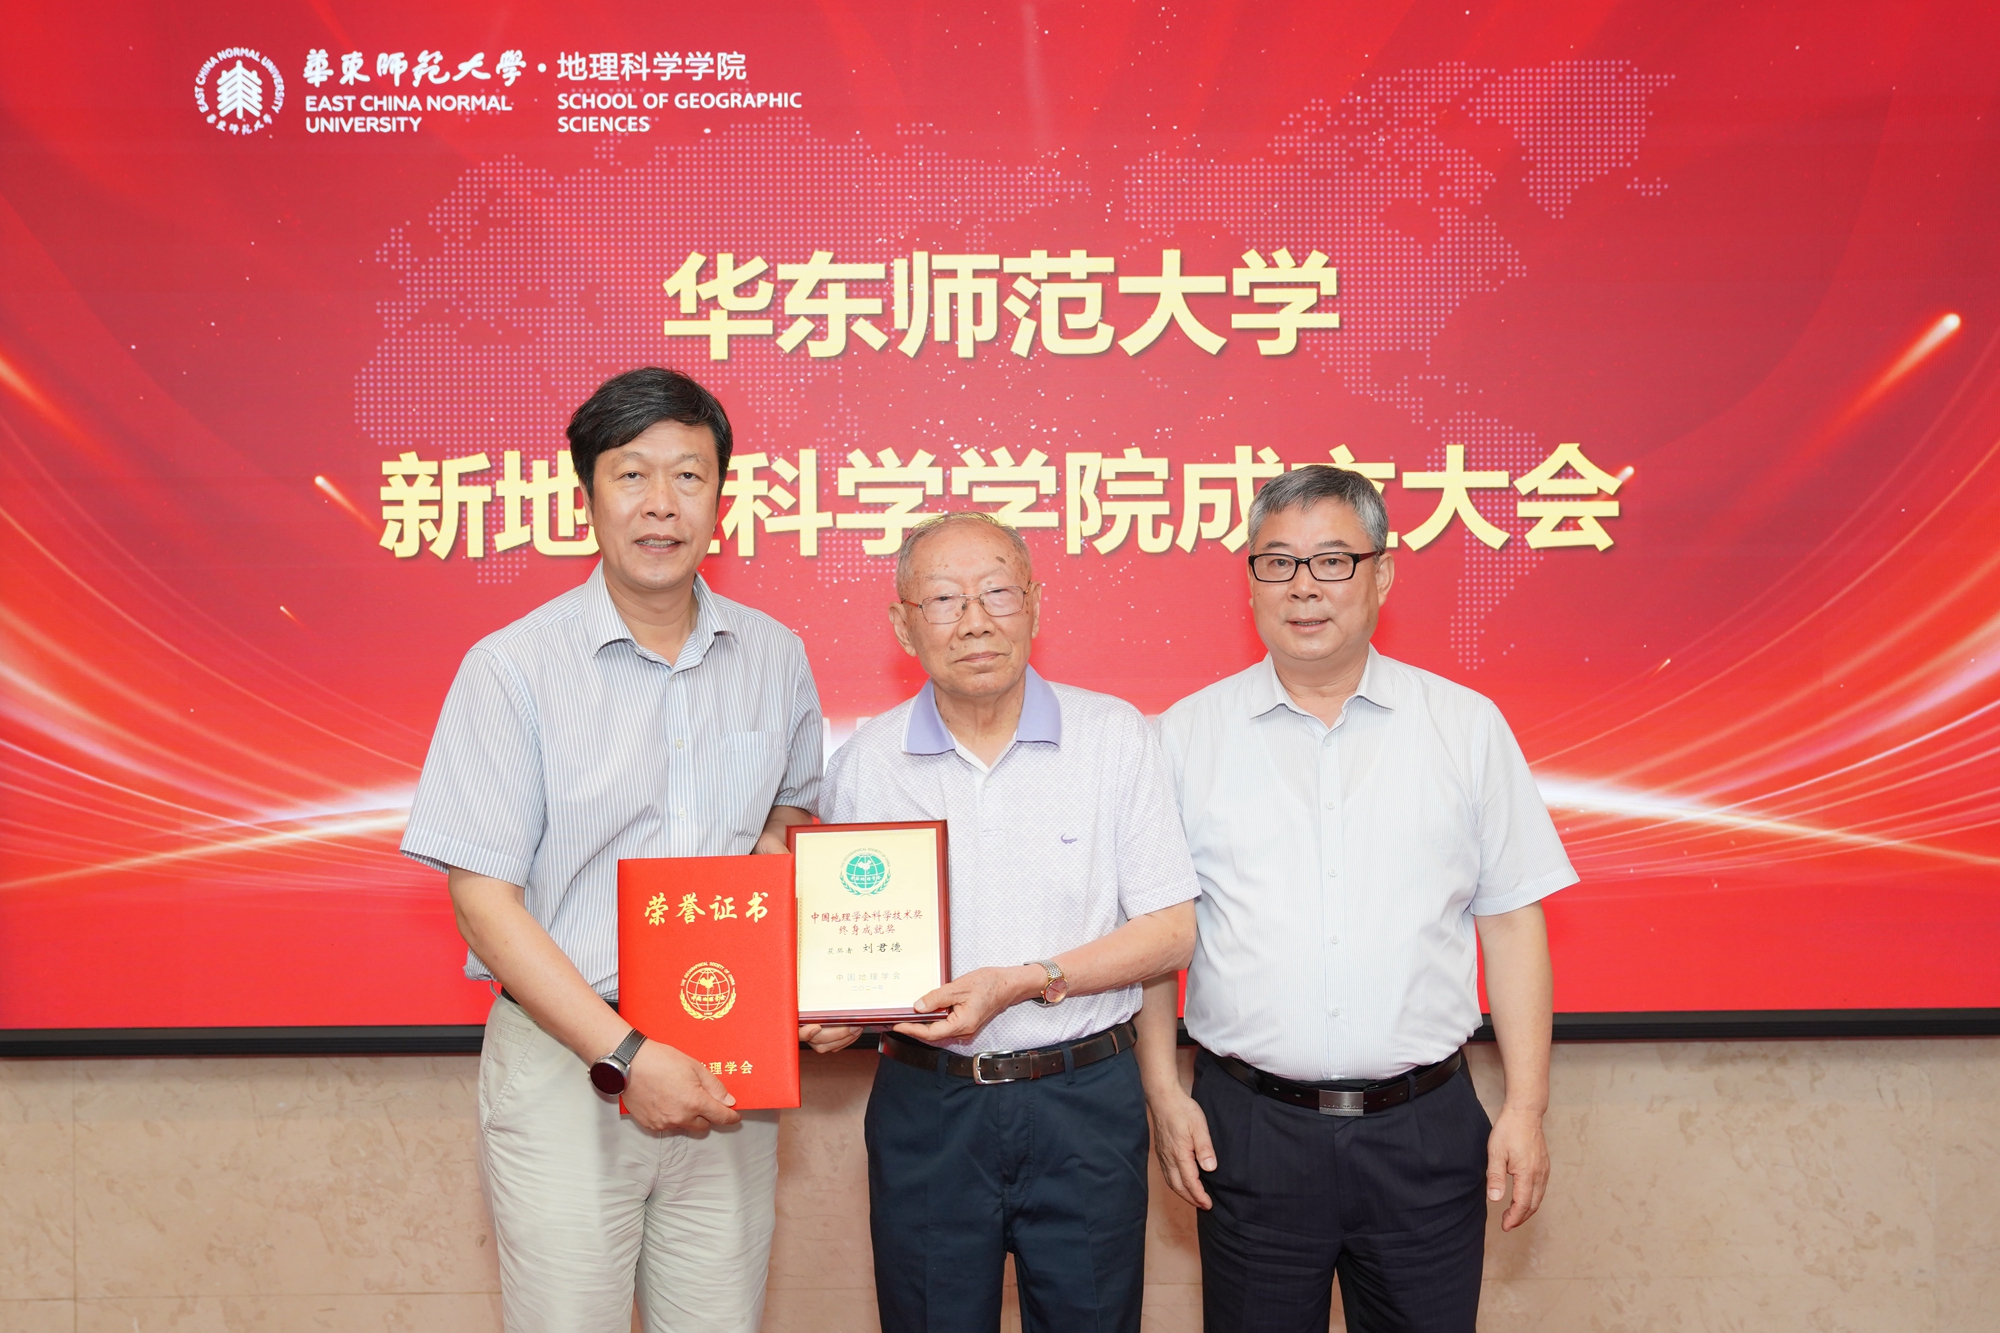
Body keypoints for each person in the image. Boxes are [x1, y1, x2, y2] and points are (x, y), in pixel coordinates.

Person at [400, 368, 823, 1333]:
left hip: (727, 1062)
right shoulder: (511, 668)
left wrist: (807, 973)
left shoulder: (775, 656)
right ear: (585, 494)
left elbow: (787, 818)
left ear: (722, 496)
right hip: (571, 1066)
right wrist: (626, 1052)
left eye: (689, 475)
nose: (661, 504)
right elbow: (483, 903)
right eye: (632, 475)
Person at [1138, 464, 1576, 1332]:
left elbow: (1513, 923)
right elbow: (1156, 933)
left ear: (1382, 574)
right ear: (1250, 581)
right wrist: (1163, 1089)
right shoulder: (1182, 736)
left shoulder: (1465, 726)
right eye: (1278, 562)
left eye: (1333, 560)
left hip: (1424, 1131)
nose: (1303, 587)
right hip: (1248, 1130)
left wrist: (1526, 1106)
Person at [802, 511, 1198, 1333]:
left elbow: (1170, 929)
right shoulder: (865, 764)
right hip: (927, 1105)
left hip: (1083, 1100)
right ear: (903, 625)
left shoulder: (1114, 736)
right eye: (944, 599)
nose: (974, 620)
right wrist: (837, 1008)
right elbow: (840, 939)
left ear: (1036, 605)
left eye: (997, 593)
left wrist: (1028, 980)